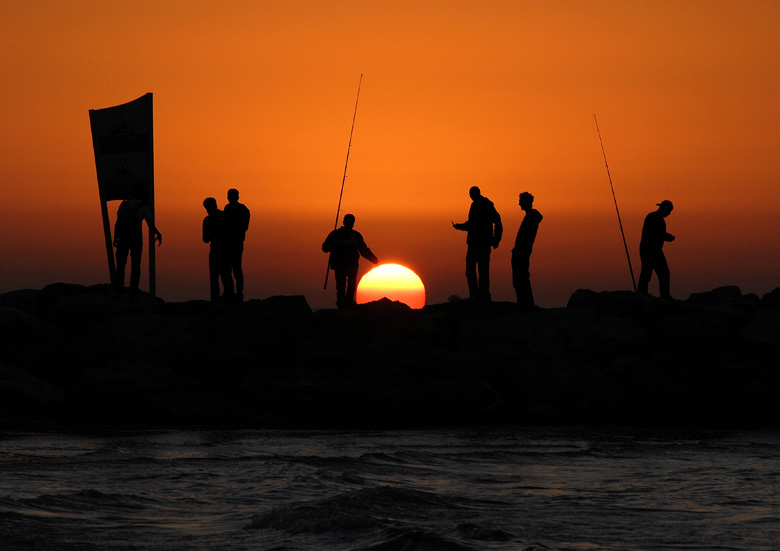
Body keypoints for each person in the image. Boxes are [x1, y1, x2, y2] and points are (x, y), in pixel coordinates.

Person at [452, 186, 503, 300]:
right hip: (479, 243)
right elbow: (473, 224)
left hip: (479, 244)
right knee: (479, 269)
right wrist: (495, 239)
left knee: (477, 269)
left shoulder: (484, 205)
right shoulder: (485, 205)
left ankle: (479, 294)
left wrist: (496, 239)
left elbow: (474, 224)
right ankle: (480, 294)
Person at [322, 214, 378, 308]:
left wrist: (373, 258)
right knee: (344, 284)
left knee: (344, 284)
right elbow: (363, 250)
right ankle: (345, 303)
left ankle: (345, 303)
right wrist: (373, 259)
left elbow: (325, 248)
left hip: (345, 264)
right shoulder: (354, 235)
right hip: (343, 264)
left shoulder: (336, 234)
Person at [113, 198, 162, 294]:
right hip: (136, 238)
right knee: (136, 264)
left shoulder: (124, 205)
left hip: (123, 238)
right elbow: (150, 224)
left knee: (121, 264)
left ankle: (119, 287)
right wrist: (158, 233)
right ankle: (133, 288)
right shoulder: (144, 207)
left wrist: (115, 237)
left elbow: (118, 223)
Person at [637, 199, 675, 300]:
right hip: (650, 250)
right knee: (652, 272)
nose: (669, 213)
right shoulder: (654, 218)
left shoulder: (654, 217)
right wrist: (667, 237)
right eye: (668, 211)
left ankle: (644, 292)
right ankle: (644, 293)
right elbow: (656, 234)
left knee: (658, 272)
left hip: (653, 250)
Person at [512, 192, 543, 307]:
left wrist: (518, 250)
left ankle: (525, 304)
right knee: (520, 278)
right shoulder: (530, 216)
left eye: (521, 201)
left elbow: (526, 237)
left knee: (520, 278)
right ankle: (525, 303)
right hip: (521, 251)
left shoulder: (531, 217)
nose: (519, 203)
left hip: (522, 252)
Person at [202, 197, 234, 301]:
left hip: (222, 250)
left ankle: (222, 299)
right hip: (221, 250)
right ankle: (222, 299)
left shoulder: (218, 218)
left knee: (221, 276)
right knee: (221, 276)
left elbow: (206, 239)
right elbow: (206, 239)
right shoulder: (222, 217)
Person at [223, 188, 251, 301]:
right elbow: (245, 227)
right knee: (237, 269)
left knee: (228, 269)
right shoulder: (244, 209)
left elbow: (225, 225)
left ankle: (230, 293)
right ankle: (239, 293)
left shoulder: (228, 208)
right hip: (238, 242)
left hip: (230, 243)